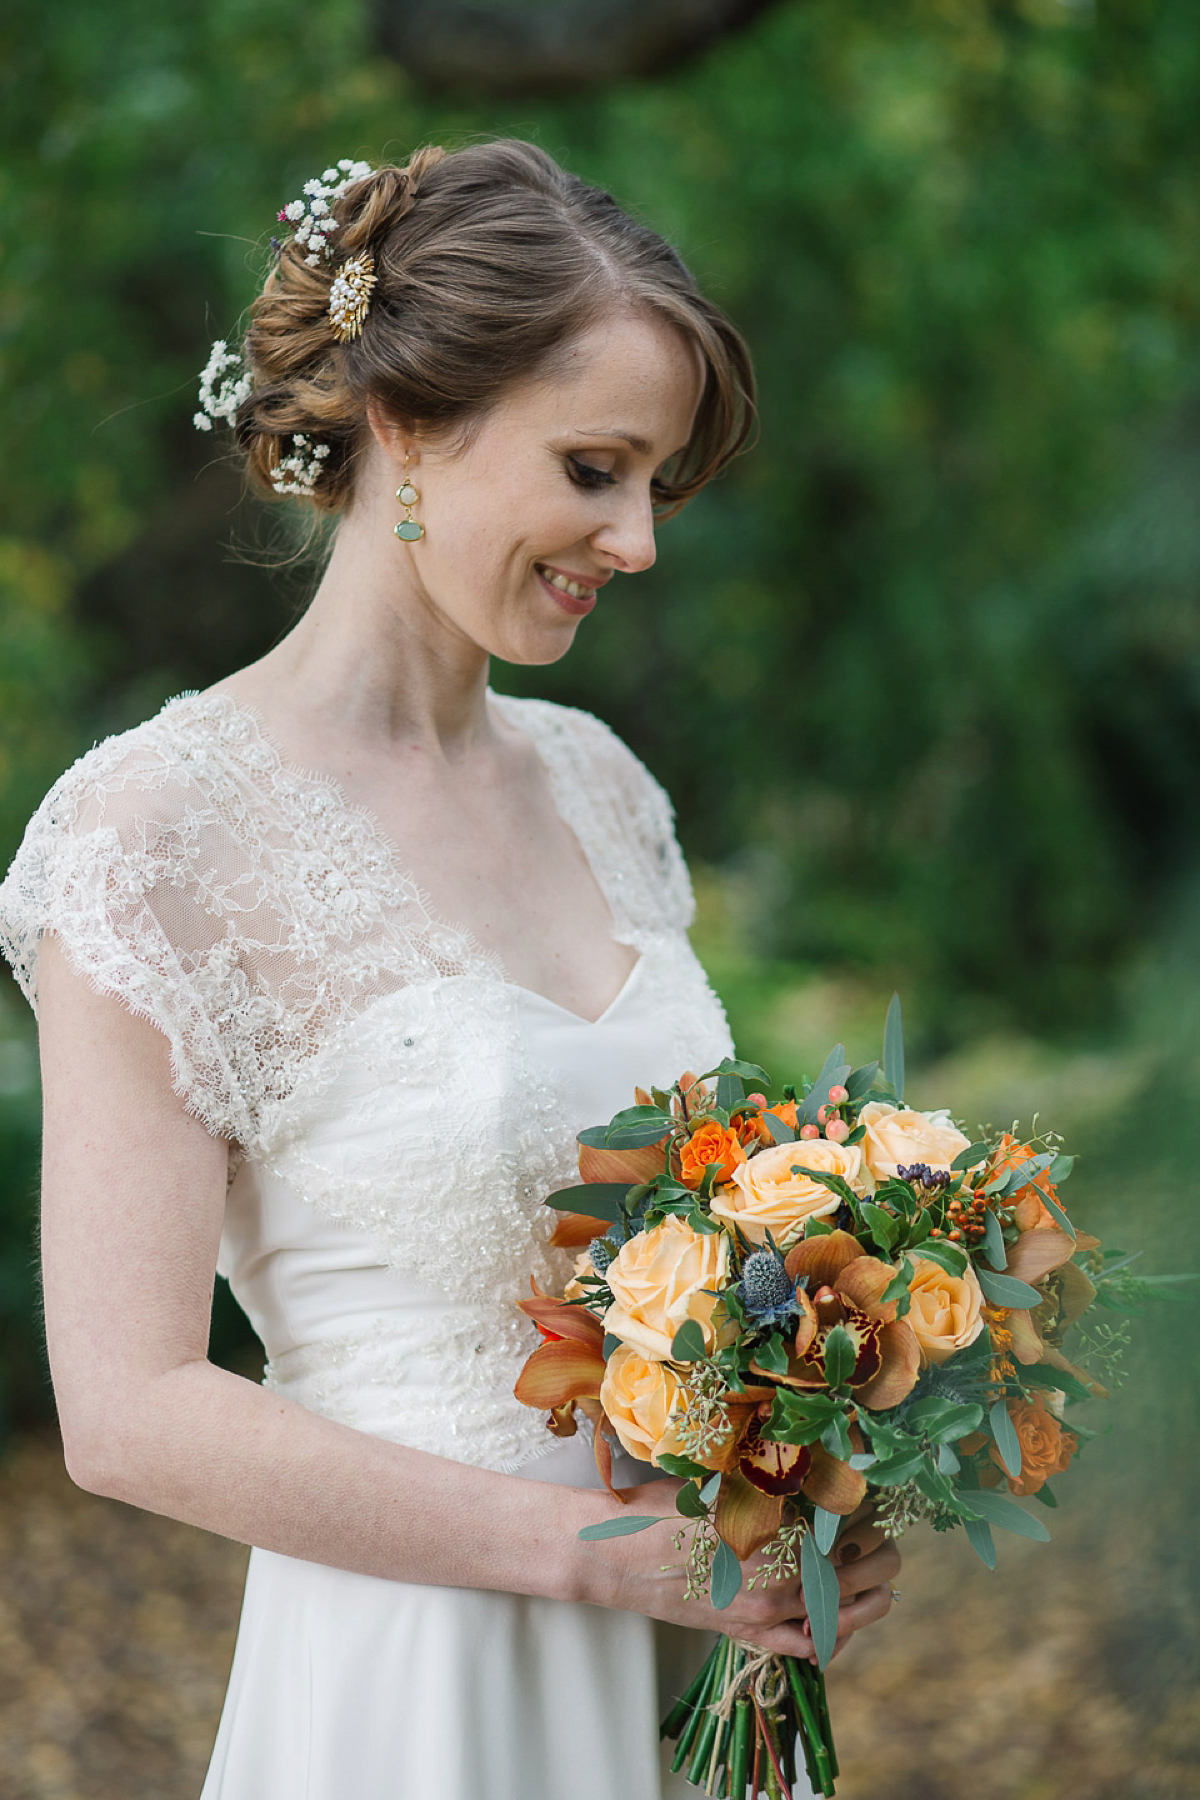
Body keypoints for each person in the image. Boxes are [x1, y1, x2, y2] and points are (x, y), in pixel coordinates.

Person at [0, 139, 899, 1800]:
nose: (635, 539)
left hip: (678, 1653)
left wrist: (797, 1475)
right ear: (408, 426)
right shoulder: (152, 835)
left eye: (658, 485)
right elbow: (125, 1411)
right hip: (414, 1681)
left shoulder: (601, 783)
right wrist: (583, 1557)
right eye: (594, 468)